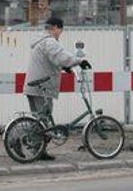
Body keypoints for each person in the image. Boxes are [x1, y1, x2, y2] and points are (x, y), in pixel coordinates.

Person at [23, 16, 90, 160]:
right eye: (60, 30)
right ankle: (33, 148)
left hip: (35, 86)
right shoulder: (49, 41)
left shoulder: (41, 41)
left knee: (40, 119)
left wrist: (65, 67)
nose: (60, 34)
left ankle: (38, 149)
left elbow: (53, 60)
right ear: (55, 27)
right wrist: (79, 61)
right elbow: (60, 56)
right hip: (42, 87)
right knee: (42, 120)